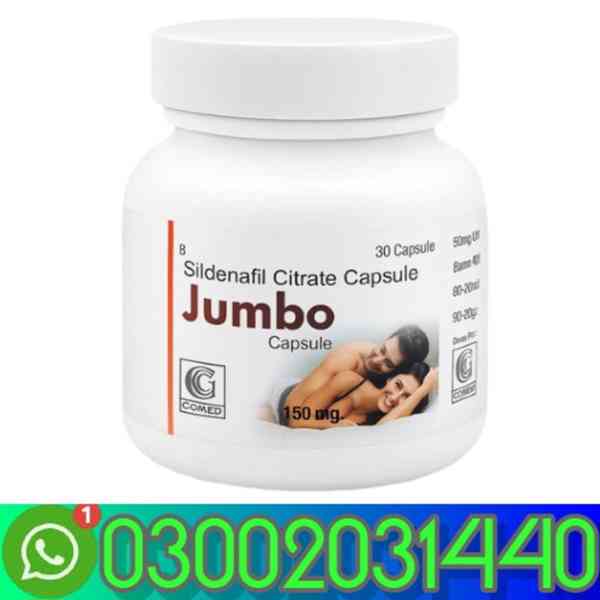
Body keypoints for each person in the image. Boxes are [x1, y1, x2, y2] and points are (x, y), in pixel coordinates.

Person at [280, 325, 430, 427]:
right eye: (382, 349)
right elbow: (294, 415)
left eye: (388, 363)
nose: (376, 360)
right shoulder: (348, 360)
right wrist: (331, 425)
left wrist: (424, 389)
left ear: (396, 371)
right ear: (386, 339)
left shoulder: (394, 390)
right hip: (291, 397)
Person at [284, 363, 436, 429]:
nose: (395, 398)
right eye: (398, 385)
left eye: (406, 397)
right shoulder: (349, 381)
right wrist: (333, 426)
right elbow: (295, 421)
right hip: (287, 399)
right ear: (389, 379)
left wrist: (424, 390)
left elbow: (382, 432)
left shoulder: (387, 420)